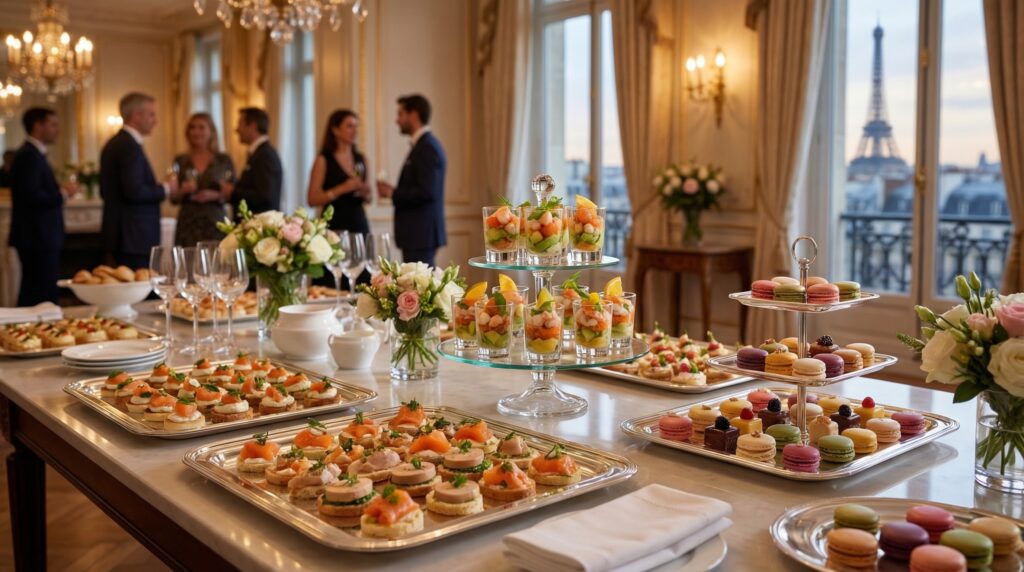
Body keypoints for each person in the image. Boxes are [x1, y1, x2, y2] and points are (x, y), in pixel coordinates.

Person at [9, 107, 79, 305]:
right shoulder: (28, 156)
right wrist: (63, 194)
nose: (57, 130)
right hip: (36, 237)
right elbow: (32, 196)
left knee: (40, 288)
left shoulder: (33, 154)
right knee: (38, 292)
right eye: (53, 124)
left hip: (40, 236)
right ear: (37, 126)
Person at [100, 92, 176, 269]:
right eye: (151, 114)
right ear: (136, 115)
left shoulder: (116, 143)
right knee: (136, 291)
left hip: (124, 234)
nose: (155, 120)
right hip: (133, 236)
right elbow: (134, 191)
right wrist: (166, 188)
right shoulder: (128, 146)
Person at [377, 94, 447, 266]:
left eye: (400, 114)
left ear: (413, 115)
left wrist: (392, 193)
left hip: (420, 235)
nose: (396, 120)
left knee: (420, 289)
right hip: (418, 235)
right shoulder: (423, 146)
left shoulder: (427, 147)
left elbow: (427, 192)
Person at [307, 109, 371, 289]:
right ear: (335, 130)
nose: (354, 131)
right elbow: (312, 198)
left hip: (358, 224)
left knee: (361, 279)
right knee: (331, 280)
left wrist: (365, 192)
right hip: (334, 226)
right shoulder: (323, 160)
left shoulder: (361, 159)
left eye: (356, 126)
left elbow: (369, 197)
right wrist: (342, 188)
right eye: (349, 126)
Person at [169, 113, 236, 246]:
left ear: (211, 131)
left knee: (216, 261)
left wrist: (215, 195)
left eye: (201, 127)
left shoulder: (223, 160)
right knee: (186, 262)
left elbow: (234, 193)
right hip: (188, 222)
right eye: (192, 128)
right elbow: (173, 198)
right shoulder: (181, 160)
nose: (196, 132)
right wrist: (183, 191)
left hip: (215, 221)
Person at [222, 107, 281, 218]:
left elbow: (265, 195)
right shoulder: (259, 153)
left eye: (240, 124)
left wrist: (233, 192)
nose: (237, 129)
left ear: (253, 126)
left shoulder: (265, 155)